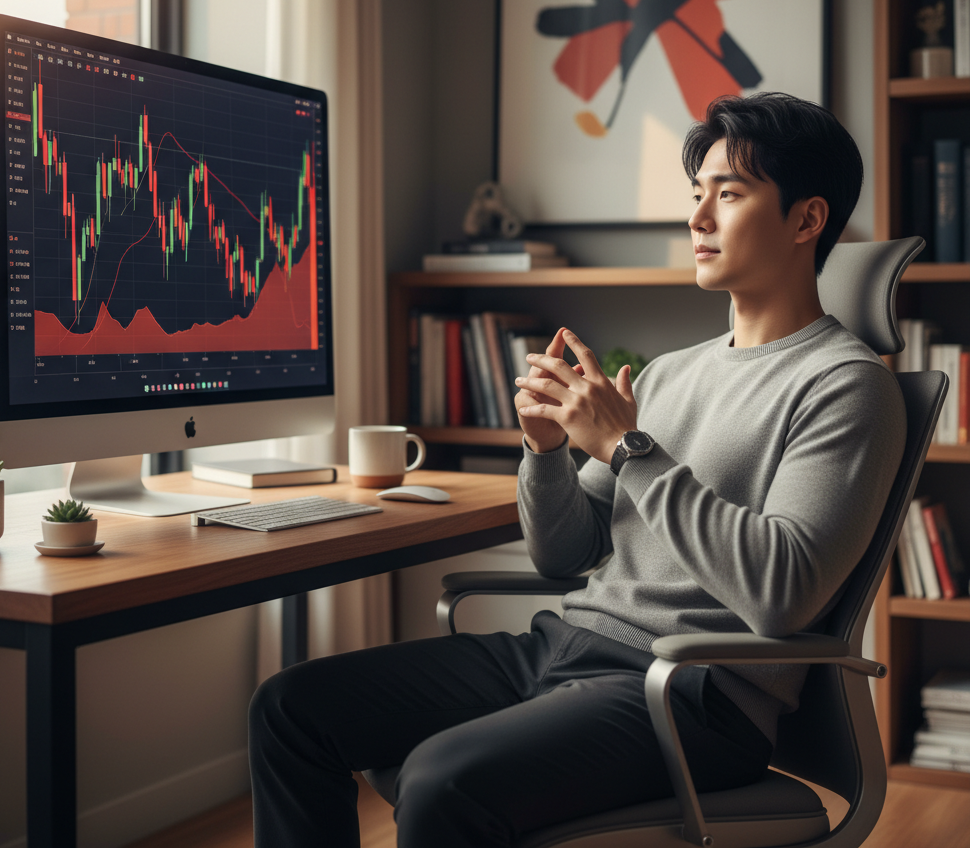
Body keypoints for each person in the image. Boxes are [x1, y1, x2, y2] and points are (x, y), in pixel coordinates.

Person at [248, 92, 906, 848]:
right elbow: (564, 555)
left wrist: (628, 448)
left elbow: (782, 594)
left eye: (728, 194)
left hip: (690, 694)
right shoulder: (667, 373)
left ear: (806, 219)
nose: (697, 219)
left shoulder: (847, 386)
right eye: (697, 194)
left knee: (438, 780)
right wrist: (547, 452)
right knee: (289, 708)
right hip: (563, 646)